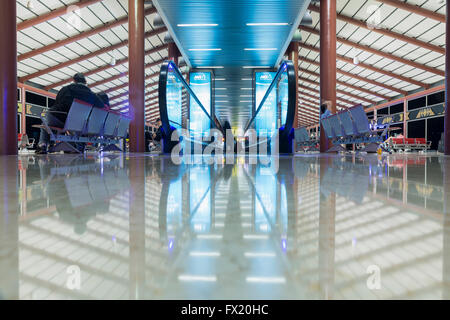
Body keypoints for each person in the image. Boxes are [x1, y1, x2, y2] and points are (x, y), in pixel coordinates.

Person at [36, 73, 105, 154]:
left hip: (60, 118)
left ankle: (43, 145)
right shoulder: (92, 95)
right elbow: (101, 105)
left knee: (45, 124)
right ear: (85, 82)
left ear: (74, 80)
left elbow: (57, 102)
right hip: (78, 123)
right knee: (65, 125)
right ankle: (69, 146)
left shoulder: (66, 89)